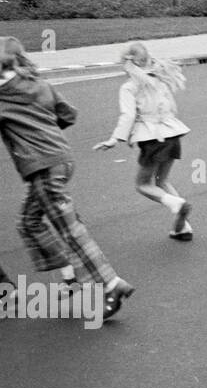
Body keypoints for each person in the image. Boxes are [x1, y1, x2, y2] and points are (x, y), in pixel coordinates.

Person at [0, 37, 133, 318]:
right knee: (29, 222)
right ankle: (73, 278)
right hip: (62, 159)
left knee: (71, 230)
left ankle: (110, 284)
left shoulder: (3, 96)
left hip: (43, 168)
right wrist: (44, 127)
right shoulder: (39, 84)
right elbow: (68, 114)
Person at [94, 41, 193, 241]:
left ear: (126, 62)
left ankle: (176, 204)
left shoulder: (130, 87)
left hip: (152, 139)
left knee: (142, 184)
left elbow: (128, 115)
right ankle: (182, 227)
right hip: (172, 134)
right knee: (162, 180)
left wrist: (115, 138)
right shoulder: (160, 79)